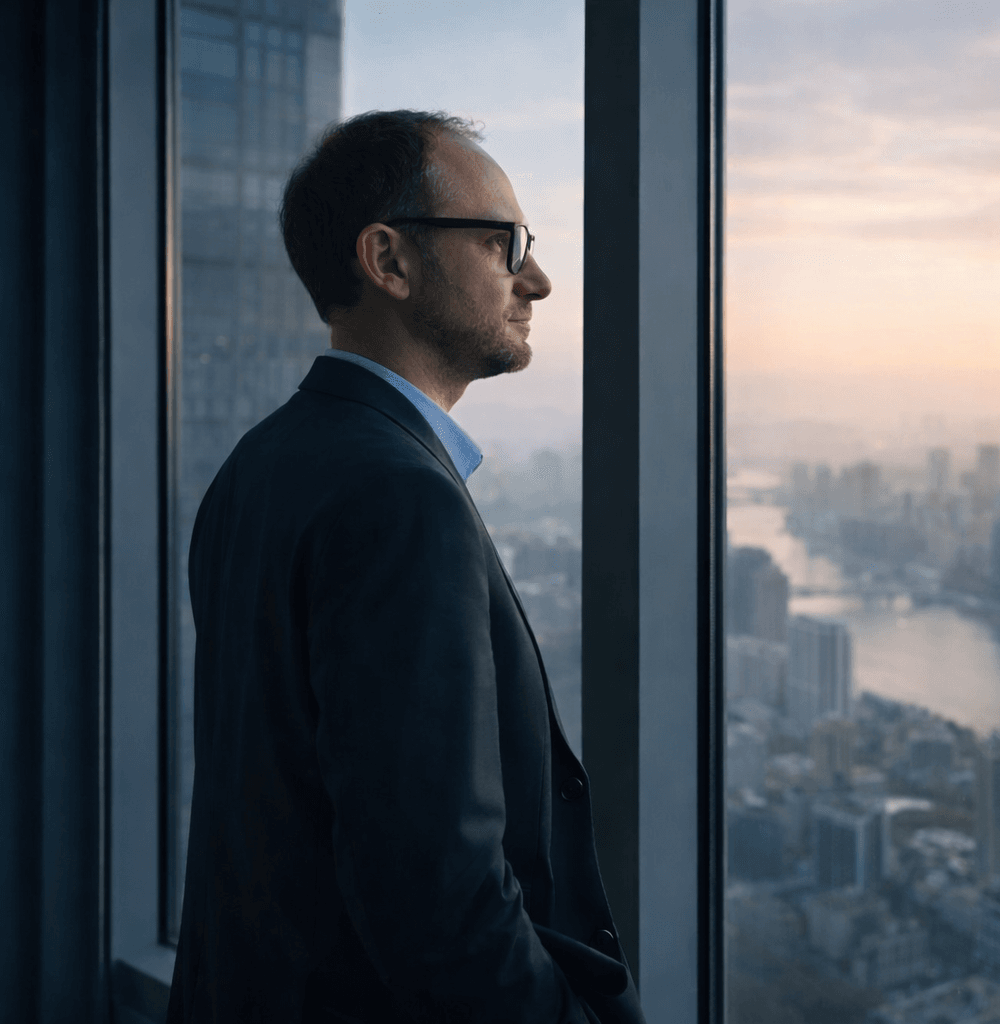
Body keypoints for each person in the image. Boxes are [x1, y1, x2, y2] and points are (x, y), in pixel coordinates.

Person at [166, 109, 643, 1024]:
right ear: (388, 260)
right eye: (505, 244)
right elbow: (437, 896)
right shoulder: (401, 496)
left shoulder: (260, 465)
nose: (537, 279)